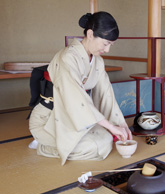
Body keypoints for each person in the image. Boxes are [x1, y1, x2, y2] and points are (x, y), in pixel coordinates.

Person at [29, 12, 132, 165]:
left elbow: (106, 95)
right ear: (90, 34)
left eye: (111, 45)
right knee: (96, 147)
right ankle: (45, 145)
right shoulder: (67, 57)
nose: (108, 49)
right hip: (50, 119)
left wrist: (121, 126)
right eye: (105, 44)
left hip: (72, 117)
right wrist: (110, 126)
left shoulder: (97, 61)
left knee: (107, 138)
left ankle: (58, 142)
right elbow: (76, 99)